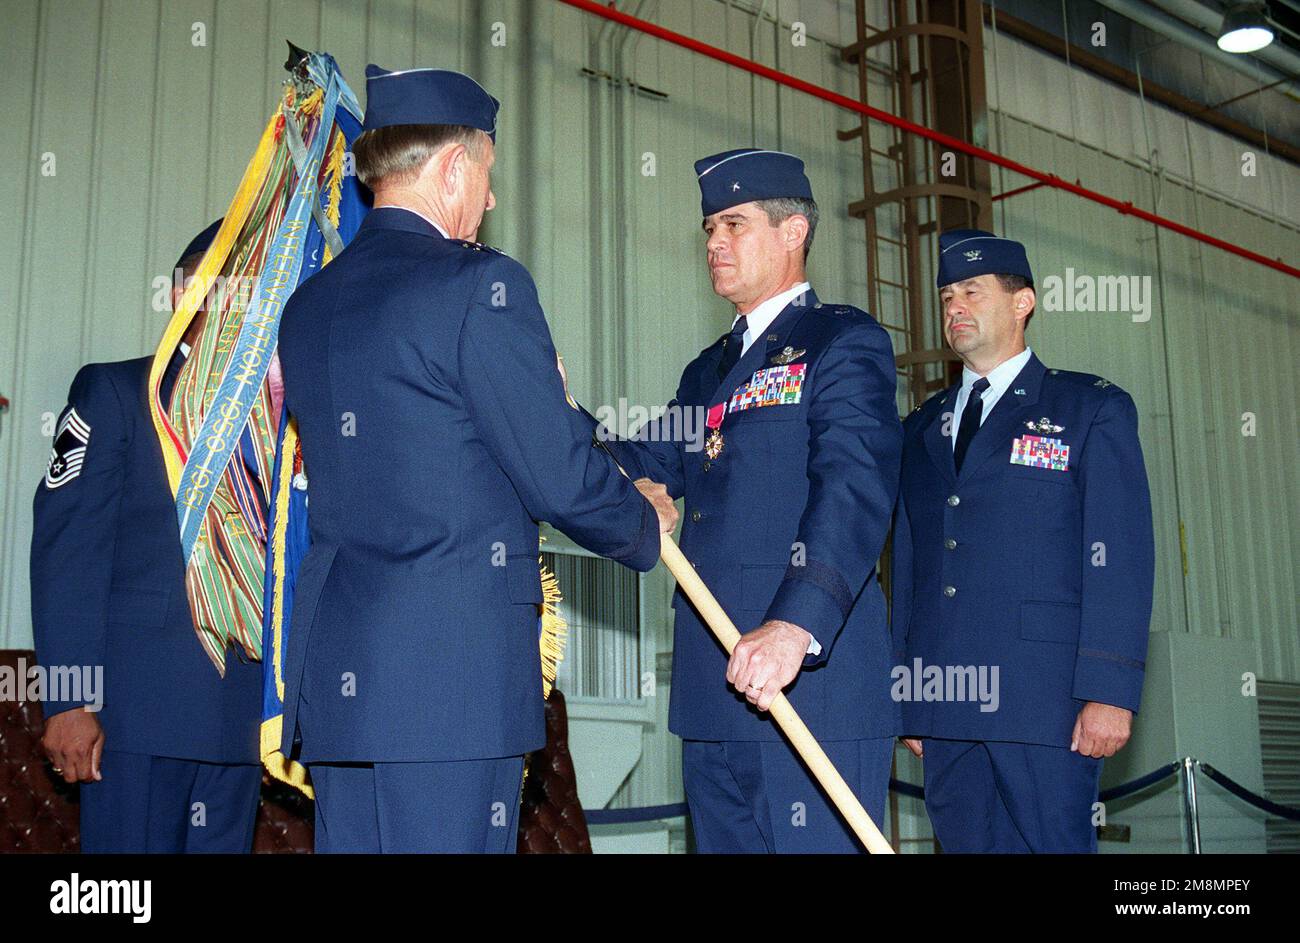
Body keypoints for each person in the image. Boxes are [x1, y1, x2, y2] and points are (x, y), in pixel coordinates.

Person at [273, 65, 677, 853]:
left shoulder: (309, 305)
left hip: (343, 680)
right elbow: (552, 468)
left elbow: (450, 430)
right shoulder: (480, 285)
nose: (490, 200)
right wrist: (643, 523)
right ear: (454, 165)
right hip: (448, 681)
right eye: (487, 173)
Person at [600, 148, 903, 853]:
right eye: (709, 228)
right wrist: (551, 412)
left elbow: (854, 490)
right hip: (715, 695)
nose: (713, 243)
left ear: (793, 231)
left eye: (733, 224)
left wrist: (796, 625)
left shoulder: (841, 342)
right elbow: (641, 460)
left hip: (808, 689)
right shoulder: (706, 370)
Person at [892, 228, 1155, 853]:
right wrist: (909, 692)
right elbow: (909, 564)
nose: (955, 306)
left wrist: (1109, 692)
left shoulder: (1088, 408)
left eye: (973, 291)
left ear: (1022, 302)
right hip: (947, 701)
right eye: (947, 294)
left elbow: (1119, 557)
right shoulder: (921, 427)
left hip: (1045, 701)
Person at [31, 222, 265, 853]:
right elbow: (69, 554)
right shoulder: (116, 393)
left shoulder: (278, 421)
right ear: (179, 292)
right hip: (132, 719)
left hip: (241, 720)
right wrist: (69, 698)